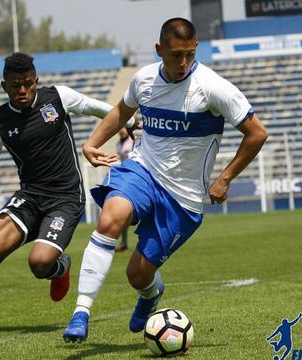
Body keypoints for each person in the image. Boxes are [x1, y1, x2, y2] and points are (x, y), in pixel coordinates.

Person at [62, 17, 268, 342]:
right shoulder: (143, 79)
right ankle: (80, 313)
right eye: (175, 55)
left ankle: (150, 295)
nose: (183, 63)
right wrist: (91, 143)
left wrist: (225, 178)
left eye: (189, 54)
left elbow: (257, 133)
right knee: (110, 218)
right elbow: (121, 111)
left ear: (196, 48)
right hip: (143, 169)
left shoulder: (213, 88)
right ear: (159, 49)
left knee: (138, 273)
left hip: (183, 199)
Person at [0, 52, 136, 336]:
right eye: (15, 85)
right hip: (29, 198)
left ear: (36, 81)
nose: (22, 90)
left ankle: (60, 266)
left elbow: (98, 108)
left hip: (65, 198)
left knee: (39, 263)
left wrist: (130, 125)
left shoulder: (57, 98)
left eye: (28, 83)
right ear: (4, 86)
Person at [115, 127, 134, 252]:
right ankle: (124, 243)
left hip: (134, 176)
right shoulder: (118, 144)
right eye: (119, 128)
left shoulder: (133, 142)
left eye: (123, 128)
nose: (121, 130)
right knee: (122, 213)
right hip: (124, 177)